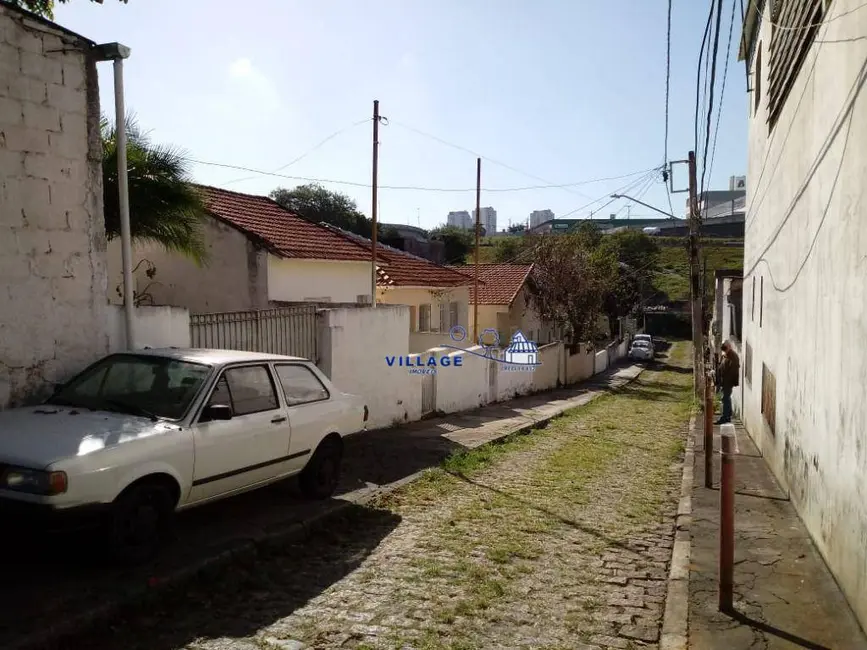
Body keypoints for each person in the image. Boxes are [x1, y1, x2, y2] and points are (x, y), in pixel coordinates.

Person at [716, 340, 740, 424]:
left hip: (728, 382)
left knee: (725, 398)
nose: (724, 350)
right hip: (724, 381)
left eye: (725, 348)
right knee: (726, 399)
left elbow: (733, 371)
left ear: (729, 347)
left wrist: (727, 382)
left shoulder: (733, 356)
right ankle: (727, 416)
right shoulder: (726, 355)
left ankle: (725, 417)